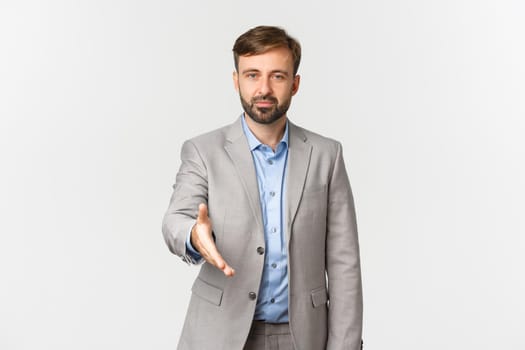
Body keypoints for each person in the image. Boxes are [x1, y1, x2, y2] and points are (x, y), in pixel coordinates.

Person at [162, 25, 363, 350]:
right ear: (236, 80)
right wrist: (195, 236)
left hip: (303, 336)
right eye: (252, 75)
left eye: (278, 76)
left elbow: (344, 263)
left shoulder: (327, 156)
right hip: (219, 333)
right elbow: (176, 219)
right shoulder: (203, 151)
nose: (264, 88)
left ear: (295, 84)